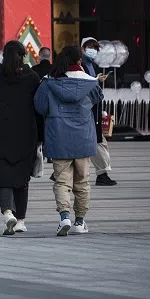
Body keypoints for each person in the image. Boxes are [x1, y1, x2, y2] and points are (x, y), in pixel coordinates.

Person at [0, 41, 43, 236]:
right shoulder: (32, 78)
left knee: (1, 175)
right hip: (25, 133)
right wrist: (40, 135)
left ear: (3, 55)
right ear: (23, 56)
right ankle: (21, 220)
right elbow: (39, 109)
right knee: (22, 177)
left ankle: (8, 213)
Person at [36, 45, 103, 237]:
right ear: (79, 61)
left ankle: (64, 217)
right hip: (84, 138)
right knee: (82, 182)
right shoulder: (90, 82)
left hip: (59, 138)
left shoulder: (48, 83)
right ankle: (80, 222)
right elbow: (98, 99)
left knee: (62, 181)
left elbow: (40, 106)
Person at [81, 37, 116, 186]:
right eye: (90, 47)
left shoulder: (90, 65)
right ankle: (102, 175)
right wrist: (96, 80)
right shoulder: (81, 64)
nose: (93, 51)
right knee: (97, 142)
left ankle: (60, 172)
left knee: (93, 142)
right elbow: (83, 84)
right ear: (82, 48)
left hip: (93, 108)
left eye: (95, 49)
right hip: (87, 109)